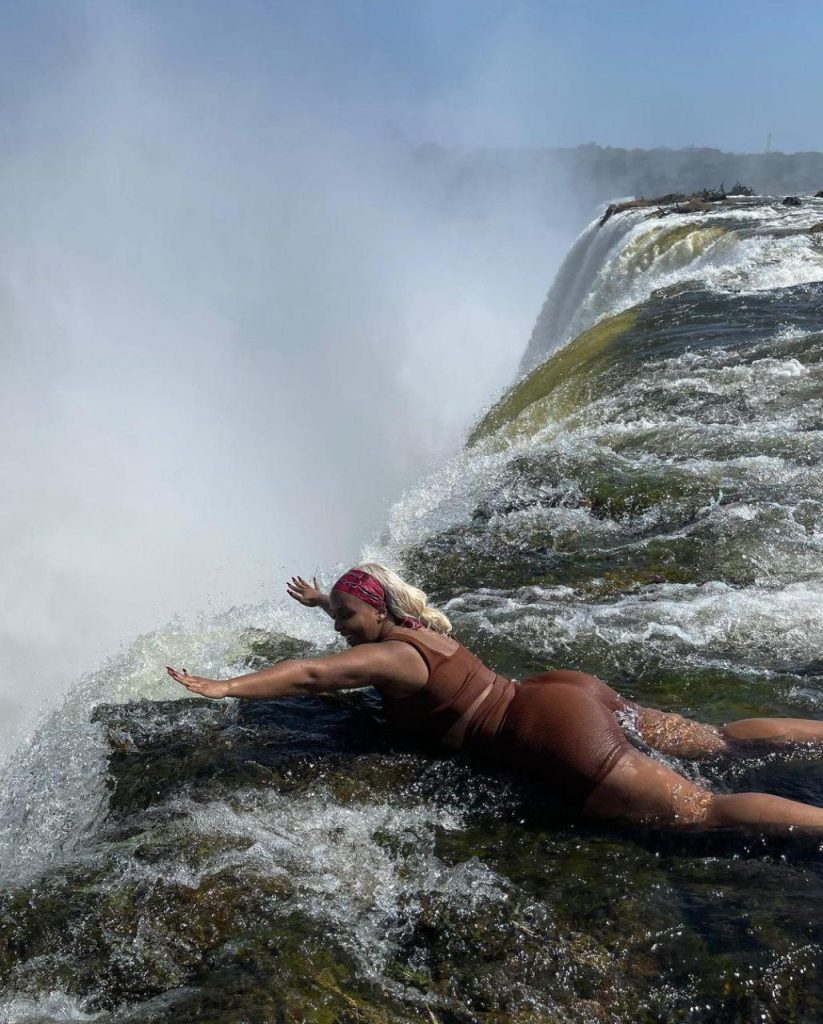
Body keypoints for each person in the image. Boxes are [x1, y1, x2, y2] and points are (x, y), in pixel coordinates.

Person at [167, 563, 823, 833]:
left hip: (552, 733)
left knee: (701, 809)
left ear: (373, 613)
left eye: (341, 615)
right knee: (719, 740)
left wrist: (226, 686)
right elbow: (357, 628)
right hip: (565, 693)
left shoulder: (390, 656)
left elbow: (312, 676)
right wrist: (322, 601)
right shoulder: (411, 626)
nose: (336, 625)